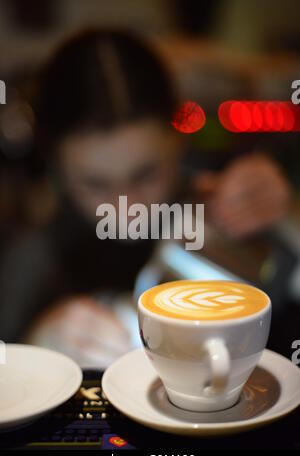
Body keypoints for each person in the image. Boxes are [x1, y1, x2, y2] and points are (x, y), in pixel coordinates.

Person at [0, 29, 290, 366]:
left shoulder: (213, 207)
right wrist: (35, 347)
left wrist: (273, 219)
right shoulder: (29, 260)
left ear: (178, 138)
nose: (128, 209)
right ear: (55, 168)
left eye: (146, 174)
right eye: (96, 184)